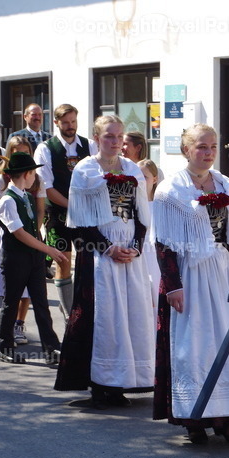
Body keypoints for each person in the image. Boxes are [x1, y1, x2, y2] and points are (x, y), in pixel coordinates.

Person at [152, 123, 229, 443]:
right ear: (186, 150)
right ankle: (194, 419)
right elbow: (164, 243)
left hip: (222, 270)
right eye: (201, 147)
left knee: (227, 343)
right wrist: (173, 285)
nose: (208, 153)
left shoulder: (226, 185)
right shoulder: (171, 190)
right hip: (190, 273)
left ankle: (225, 418)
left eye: (212, 147)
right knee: (194, 346)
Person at [54, 115, 156, 407]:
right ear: (97, 139)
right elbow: (81, 220)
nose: (115, 142)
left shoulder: (133, 169)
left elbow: (140, 215)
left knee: (130, 314)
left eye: (119, 136)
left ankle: (124, 380)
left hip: (130, 255)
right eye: (109, 136)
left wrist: (135, 247)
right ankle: (100, 382)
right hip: (98, 255)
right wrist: (108, 248)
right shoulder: (85, 170)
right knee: (104, 317)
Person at [0, 152, 67, 364]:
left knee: (41, 303)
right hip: (16, 258)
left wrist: (41, 251)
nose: (35, 176)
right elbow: (19, 233)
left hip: (33, 258)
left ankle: (52, 348)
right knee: (11, 302)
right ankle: (5, 346)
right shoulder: (8, 200)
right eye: (33, 172)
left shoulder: (26, 195)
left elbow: (32, 227)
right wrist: (48, 249)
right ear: (26, 174)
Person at [34, 103, 93, 319]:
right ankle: (70, 315)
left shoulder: (89, 146)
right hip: (57, 214)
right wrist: (73, 206)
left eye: (74, 122)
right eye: (66, 122)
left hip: (85, 214)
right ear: (56, 122)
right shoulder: (46, 148)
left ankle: (74, 303)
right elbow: (47, 188)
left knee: (87, 259)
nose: (71, 126)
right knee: (63, 260)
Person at [0, 135, 45, 345]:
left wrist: (34, 231)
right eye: (16, 152)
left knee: (30, 286)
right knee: (13, 286)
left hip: (32, 233)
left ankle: (20, 323)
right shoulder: (3, 180)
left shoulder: (36, 179)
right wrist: (21, 231)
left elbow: (39, 210)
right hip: (11, 233)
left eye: (25, 152)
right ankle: (8, 329)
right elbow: (0, 210)